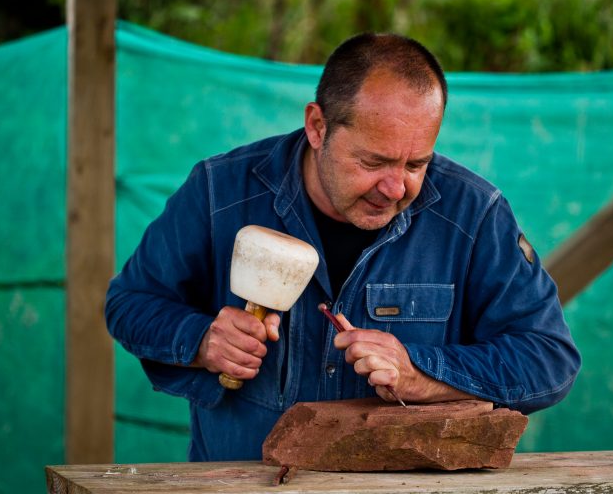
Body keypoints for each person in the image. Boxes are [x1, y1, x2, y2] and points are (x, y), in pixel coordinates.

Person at [105, 32, 581, 461]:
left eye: (417, 164)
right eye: (373, 161)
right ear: (317, 127)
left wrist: (420, 372)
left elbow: (549, 360)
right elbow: (129, 303)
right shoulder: (220, 192)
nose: (395, 188)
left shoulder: (474, 215)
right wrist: (203, 342)